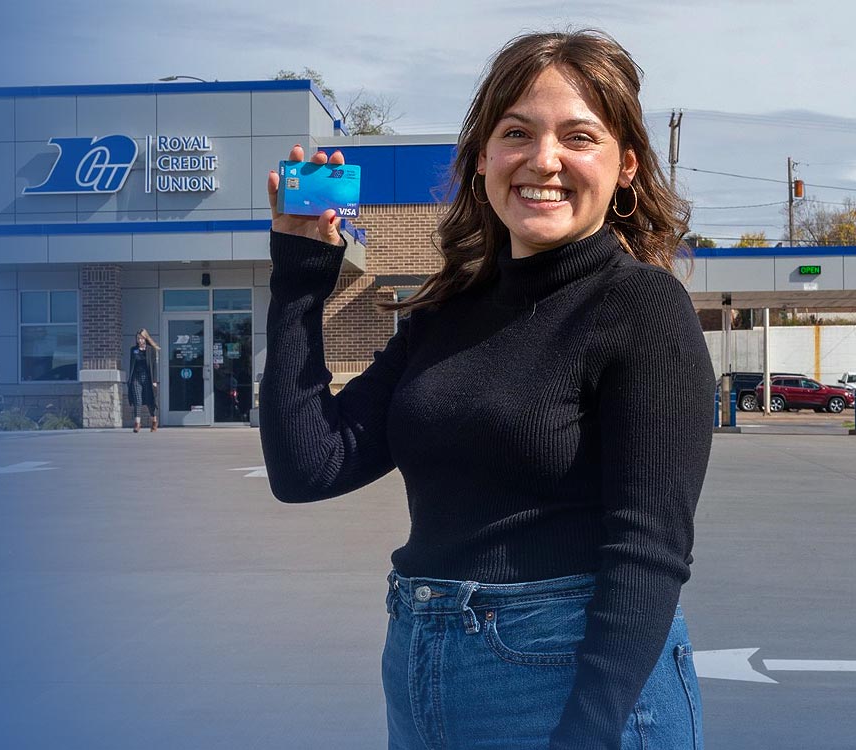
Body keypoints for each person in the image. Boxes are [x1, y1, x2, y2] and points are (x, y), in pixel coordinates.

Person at [259, 30, 713, 749]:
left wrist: (588, 735)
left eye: (579, 137)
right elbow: (308, 467)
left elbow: (648, 552)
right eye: (516, 133)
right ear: (480, 158)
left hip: (571, 684)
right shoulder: (447, 313)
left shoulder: (642, 307)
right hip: (423, 667)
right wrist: (300, 275)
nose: (544, 160)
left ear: (625, 165)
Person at [127, 328, 160, 433]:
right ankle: (137, 424)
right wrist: (130, 379)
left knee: (150, 401)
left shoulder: (151, 350)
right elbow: (132, 365)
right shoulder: (133, 350)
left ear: (145, 338)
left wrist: (154, 381)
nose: (140, 340)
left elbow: (154, 366)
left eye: (141, 338)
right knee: (137, 400)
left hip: (148, 378)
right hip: (136, 378)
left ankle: (154, 421)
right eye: (138, 338)